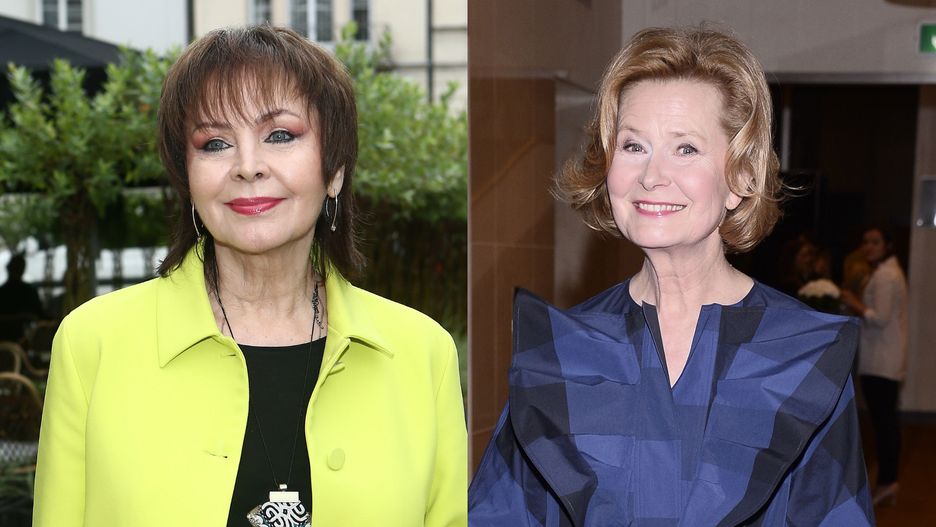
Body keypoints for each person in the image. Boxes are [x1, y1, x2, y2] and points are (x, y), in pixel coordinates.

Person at [34, 26, 466, 527]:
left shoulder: (423, 355)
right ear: (187, 177)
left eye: (280, 135)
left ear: (335, 170)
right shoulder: (92, 345)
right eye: (215, 143)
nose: (247, 166)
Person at [468, 26, 872, 525]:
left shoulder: (802, 354)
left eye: (685, 149)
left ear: (740, 178)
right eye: (633, 145)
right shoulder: (561, 351)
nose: (651, 175)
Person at [840, 227, 908, 507]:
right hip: (882, 357)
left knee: (884, 423)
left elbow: (879, 318)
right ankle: (887, 479)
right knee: (884, 422)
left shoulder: (886, 275)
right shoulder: (885, 271)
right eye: (866, 242)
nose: (869, 246)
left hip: (881, 359)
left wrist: (852, 302)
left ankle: (888, 482)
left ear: (888, 245)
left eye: (875, 242)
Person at [0, 253, 45, 342]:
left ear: (8, 268)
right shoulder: (30, 292)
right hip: (22, 338)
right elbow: (39, 315)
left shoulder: (2, 292)